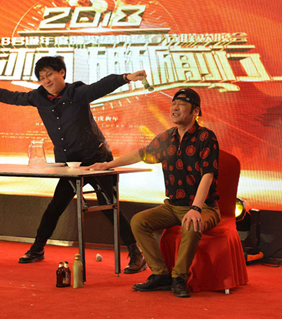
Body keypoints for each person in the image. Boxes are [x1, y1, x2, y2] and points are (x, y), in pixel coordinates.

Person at [0, 55, 147, 273]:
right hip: (70, 165)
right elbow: (9, 96)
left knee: (109, 206)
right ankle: (37, 249)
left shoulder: (76, 92)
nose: (46, 80)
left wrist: (126, 77)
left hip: (97, 160)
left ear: (61, 73)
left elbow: (101, 86)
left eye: (50, 75)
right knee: (55, 207)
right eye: (42, 77)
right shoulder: (39, 97)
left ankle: (136, 254)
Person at [86, 88, 220, 297]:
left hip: (205, 207)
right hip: (172, 206)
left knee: (191, 223)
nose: (175, 108)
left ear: (195, 111)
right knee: (139, 221)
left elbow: (208, 175)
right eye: (173, 103)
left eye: (182, 104)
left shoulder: (206, 137)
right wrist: (107, 165)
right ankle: (160, 275)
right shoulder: (167, 137)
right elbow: (141, 154)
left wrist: (196, 208)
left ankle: (179, 278)